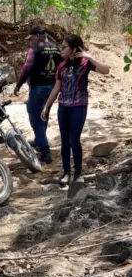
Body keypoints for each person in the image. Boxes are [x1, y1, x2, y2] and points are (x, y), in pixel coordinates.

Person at [41, 33, 110, 185]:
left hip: (79, 106)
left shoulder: (85, 63)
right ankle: (66, 172)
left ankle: (78, 172)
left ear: (73, 49)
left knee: (74, 139)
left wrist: (89, 56)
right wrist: (47, 106)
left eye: (64, 47)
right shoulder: (61, 66)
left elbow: (106, 70)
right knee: (64, 140)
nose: (61, 50)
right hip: (63, 107)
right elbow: (57, 88)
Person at [14, 27, 61, 164]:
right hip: (52, 89)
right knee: (43, 116)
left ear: (37, 36)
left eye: (31, 38)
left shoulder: (34, 50)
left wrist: (18, 84)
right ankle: (40, 142)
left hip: (38, 88)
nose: (30, 42)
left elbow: (27, 68)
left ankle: (45, 151)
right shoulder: (57, 49)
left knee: (36, 119)